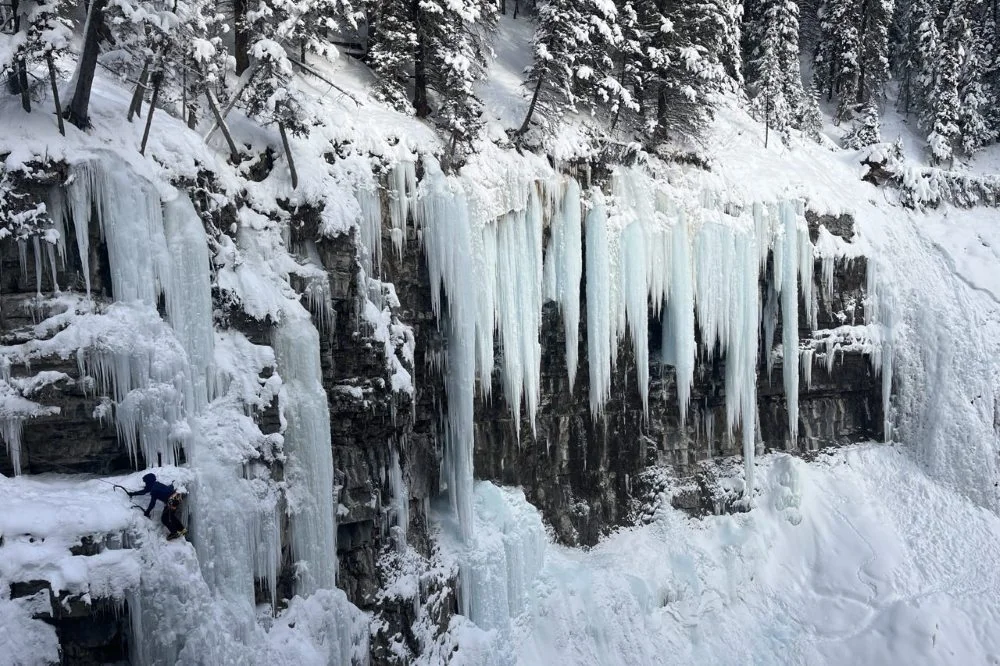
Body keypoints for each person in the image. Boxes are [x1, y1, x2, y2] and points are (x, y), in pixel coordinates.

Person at [129, 473, 186, 539]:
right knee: (171, 516)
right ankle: (182, 530)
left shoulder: (154, 490)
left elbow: (152, 503)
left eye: (146, 482)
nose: (145, 484)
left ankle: (174, 533)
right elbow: (144, 491)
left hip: (172, 501)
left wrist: (147, 512)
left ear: (149, 482)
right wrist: (132, 494)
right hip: (176, 497)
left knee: (164, 518)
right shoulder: (156, 484)